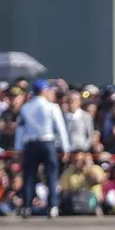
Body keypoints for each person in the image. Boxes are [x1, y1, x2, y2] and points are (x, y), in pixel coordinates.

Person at [15, 80, 70, 219]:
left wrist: (18, 148)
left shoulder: (26, 107)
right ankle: (53, 206)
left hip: (31, 143)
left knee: (29, 176)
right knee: (51, 175)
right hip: (47, 142)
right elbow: (60, 128)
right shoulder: (52, 107)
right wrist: (65, 147)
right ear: (44, 91)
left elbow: (20, 129)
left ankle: (27, 206)